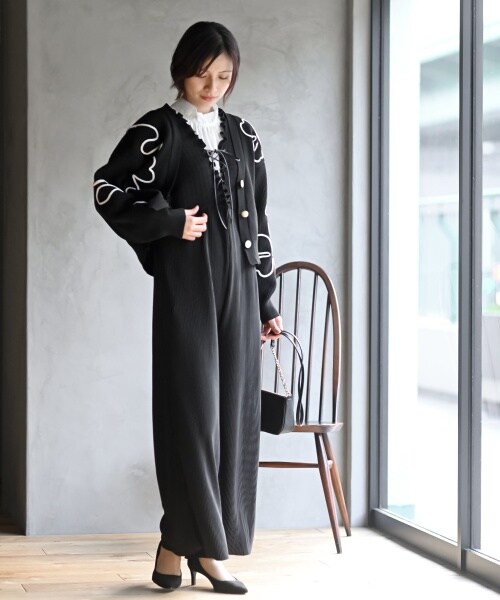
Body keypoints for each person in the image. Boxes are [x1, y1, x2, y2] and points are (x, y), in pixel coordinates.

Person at [93, 21, 282, 595]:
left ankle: (179, 547)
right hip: (188, 291)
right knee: (192, 419)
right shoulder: (159, 131)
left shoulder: (243, 135)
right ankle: (207, 551)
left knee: (234, 419)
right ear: (182, 71)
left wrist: (266, 300)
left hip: (240, 290)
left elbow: (259, 219)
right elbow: (108, 190)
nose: (212, 86)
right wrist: (171, 222)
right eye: (202, 75)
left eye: (223, 76)